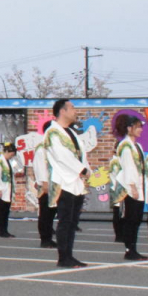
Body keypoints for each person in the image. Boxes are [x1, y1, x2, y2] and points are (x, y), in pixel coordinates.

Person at [45, 99, 89, 268]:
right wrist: (82, 169)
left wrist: (87, 170)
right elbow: (61, 156)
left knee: (72, 222)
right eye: (72, 108)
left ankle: (69, 254)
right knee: (64, 221)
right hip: (63, 181)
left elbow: (81, 155)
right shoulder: (53, 132)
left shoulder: (71, 133)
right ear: (62, 111)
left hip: (75, 181)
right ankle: (63, 257)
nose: (75, 111)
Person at [112, 115, 148, 261]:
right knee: (131, 219)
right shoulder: (126, 146)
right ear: (129, 128)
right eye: (138, 126)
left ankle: (133, 248)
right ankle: (129, 249)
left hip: (139, 186)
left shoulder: (137, 146)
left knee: (137, 219)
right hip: (130, 187)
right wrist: (132, 187)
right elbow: (128, 168)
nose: (140, 129)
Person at [32, 120, 57, 249]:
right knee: (45, 213)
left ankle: (49, 236)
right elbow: (39, 166)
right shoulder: (42, 147)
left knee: (52, 212)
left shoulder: (52, 146)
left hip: (55, 184)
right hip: (45, 185)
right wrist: (44, 182)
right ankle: (45, 239)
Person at [0, 142, 19, 238]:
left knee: (6, 211)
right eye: (11, 153)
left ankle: (5, 230)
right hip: (1, 190)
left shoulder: (8, 162)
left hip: (7, 189)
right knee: (2, 211)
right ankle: (2, 230)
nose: (12, 155)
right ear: (6, 151)